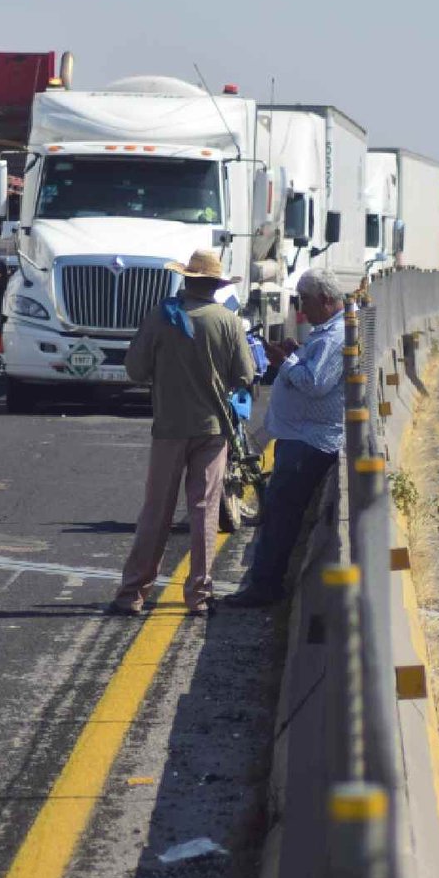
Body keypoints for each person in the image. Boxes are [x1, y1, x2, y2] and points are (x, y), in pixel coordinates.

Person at [110, 249, 254, 616]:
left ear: (187, 280)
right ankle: (200, 596)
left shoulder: (162, 317)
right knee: (204, 511)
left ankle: (133, 593)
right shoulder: (228, 321)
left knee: (156, 511)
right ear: (217, 286)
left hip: (170, 429)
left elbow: (135, 370)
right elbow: (245, 376)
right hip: (213, 430)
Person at [225, 269, 347, 608]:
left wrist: (286, 359)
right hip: (301, 436)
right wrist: (296, 353)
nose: (302, 310)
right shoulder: (327, 332)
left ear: (324, 299)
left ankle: (266, 586)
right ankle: (266, 581)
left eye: (305, 301)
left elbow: (314, 383)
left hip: (309, 441)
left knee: (280, 513)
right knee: (278, 510)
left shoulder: (334, 337)